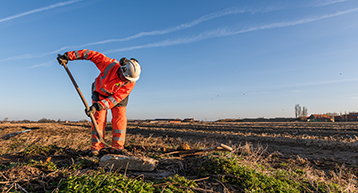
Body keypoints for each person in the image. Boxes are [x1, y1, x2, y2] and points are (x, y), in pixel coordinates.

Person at [57, 49, 141, 156]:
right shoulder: (108, 64)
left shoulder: (130, 82)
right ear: (121, 69)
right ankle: (97, 148)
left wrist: (98, 106)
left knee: (120, 119)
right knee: (98, 119)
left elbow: (115, 99)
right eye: (124, 78)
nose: (125, 80)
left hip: (118, 97)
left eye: (127, 79)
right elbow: (90, 54)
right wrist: (68, 56)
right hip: (99, 91)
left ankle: (117, 147)